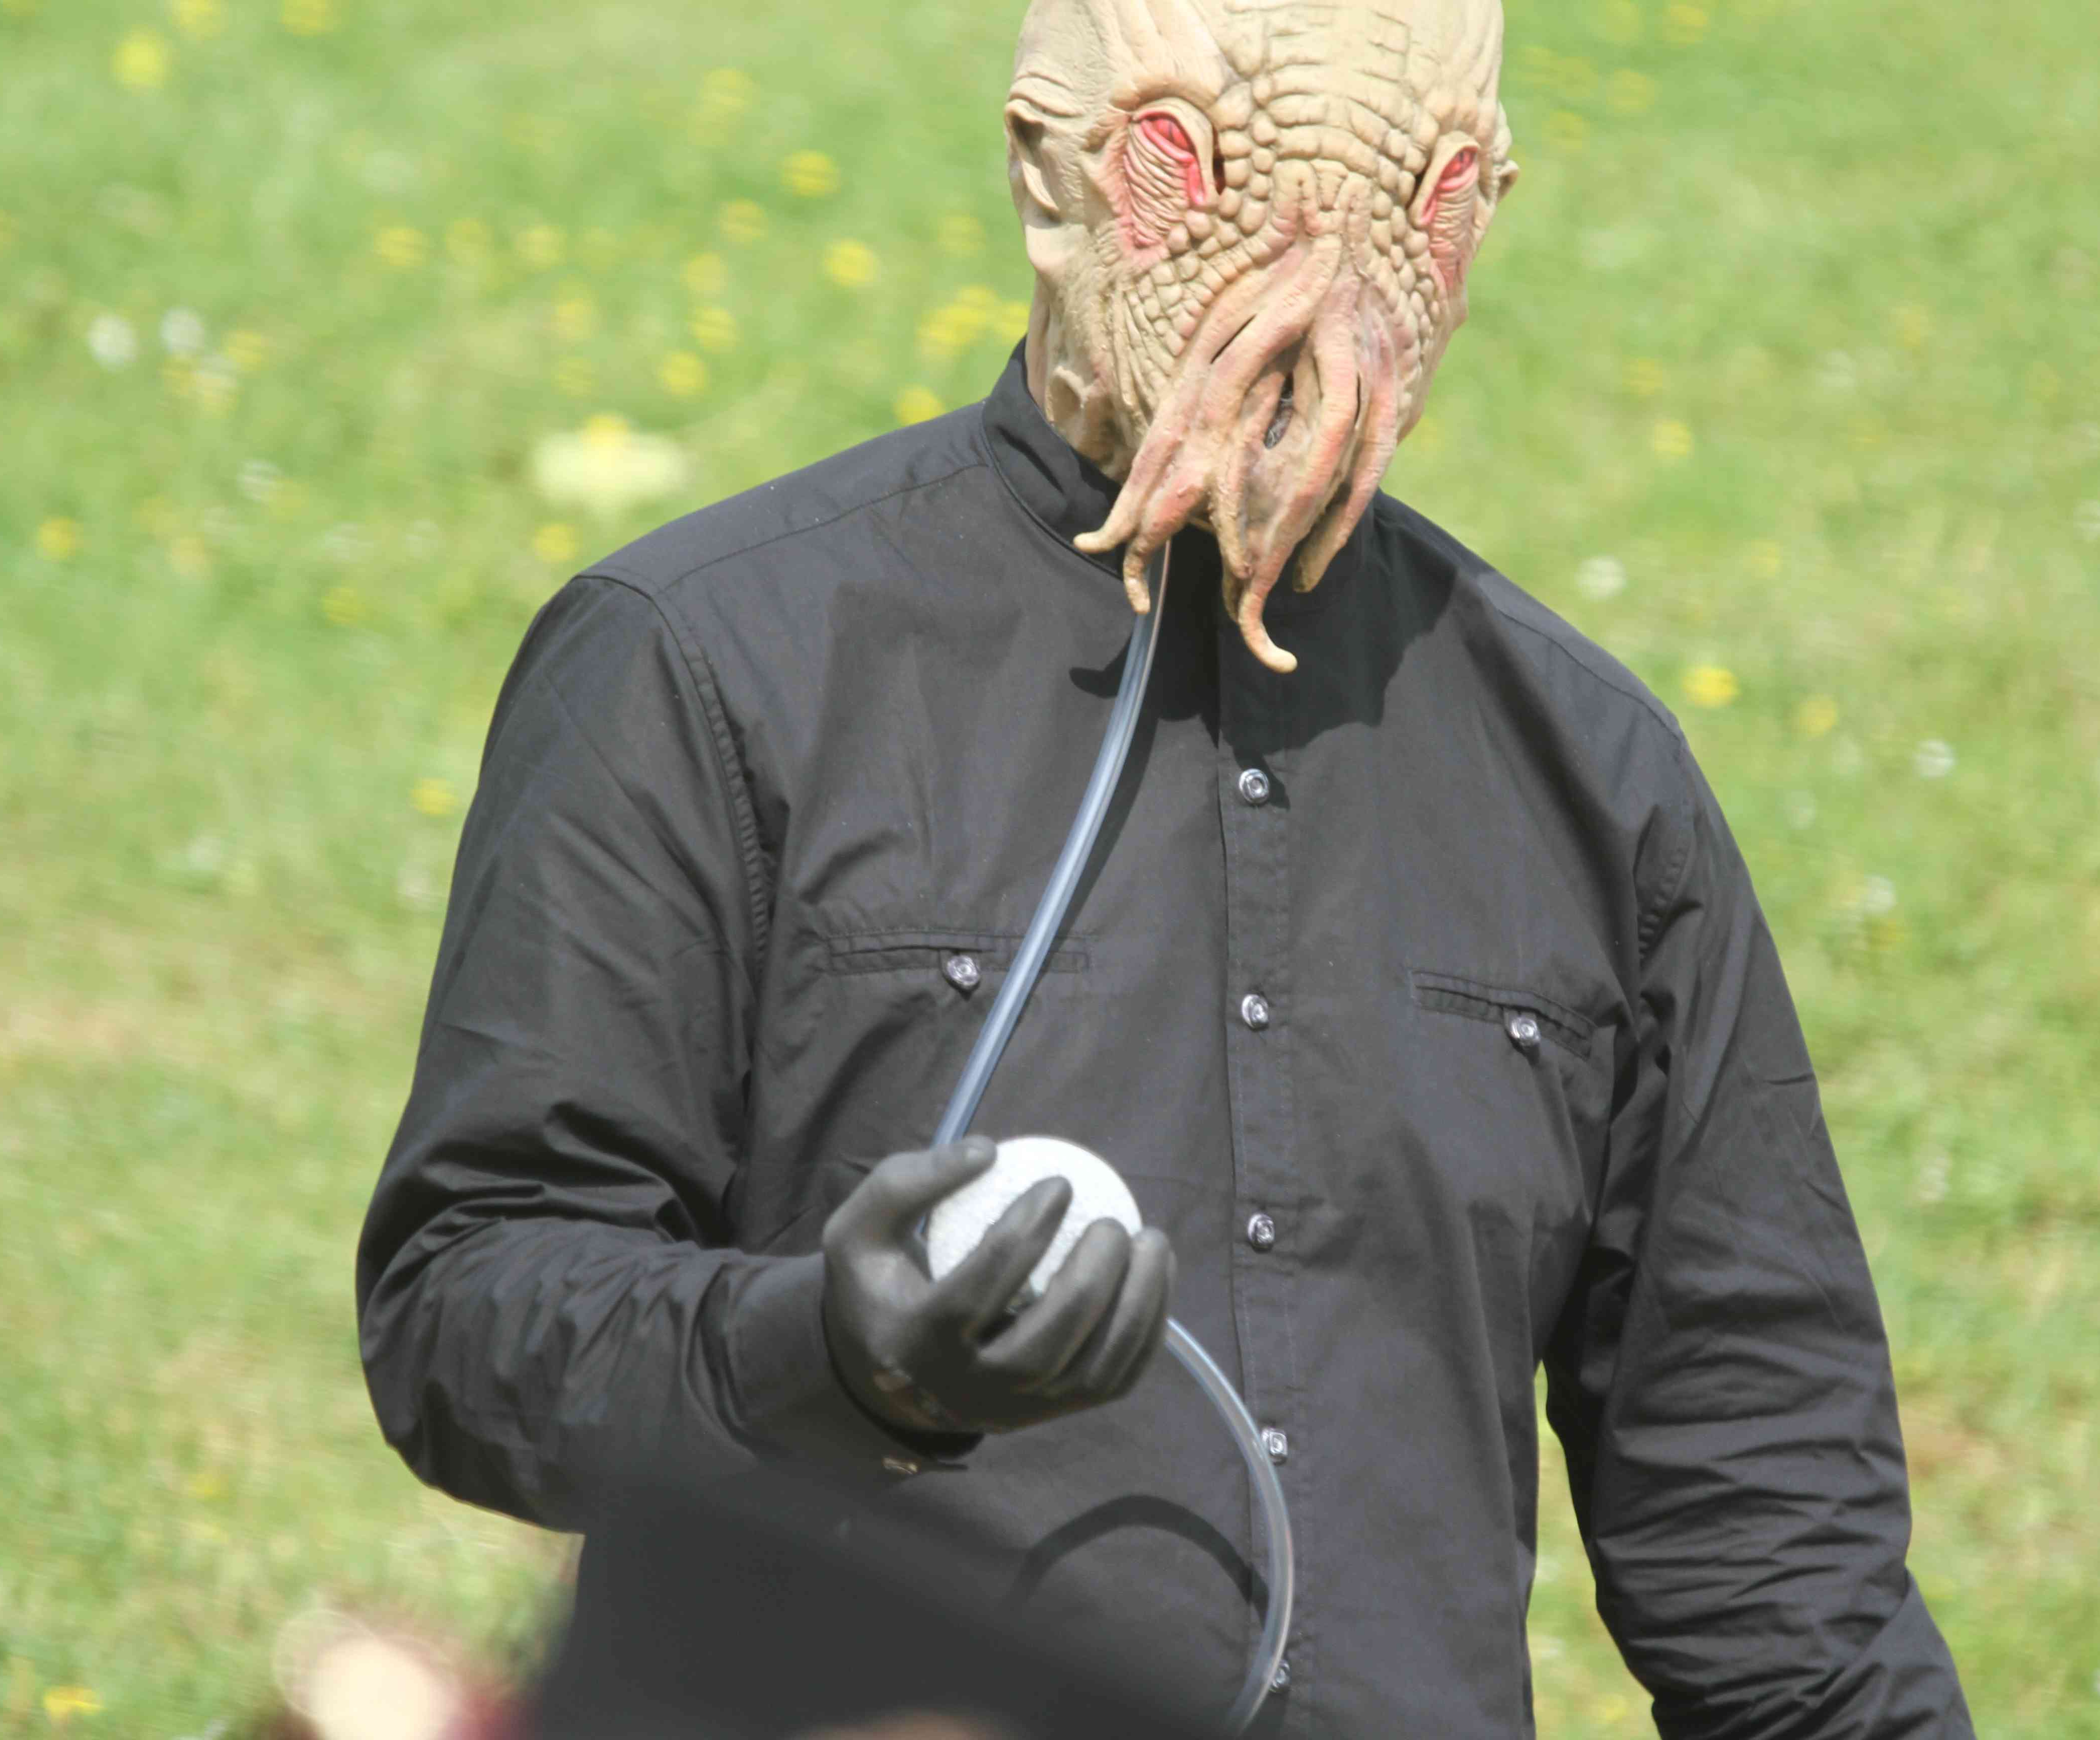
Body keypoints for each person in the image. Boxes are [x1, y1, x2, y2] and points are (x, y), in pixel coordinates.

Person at [357, 1, 1976, 1733]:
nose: (1310, 275)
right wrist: (826, 1354)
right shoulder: (710, 662)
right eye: (1190, 174)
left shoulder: (1591, 776)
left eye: (1417, 202)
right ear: (1048, 168)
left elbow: (1774, 1537)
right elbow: (467, 1310)